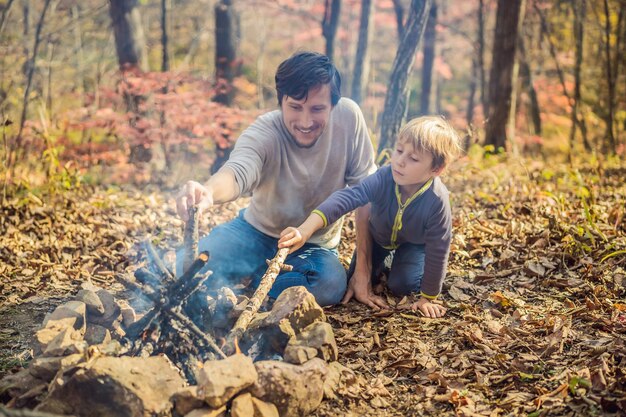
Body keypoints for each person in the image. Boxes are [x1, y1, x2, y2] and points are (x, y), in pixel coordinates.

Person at [175, 51, 376, 307]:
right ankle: (264, 279)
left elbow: (366, 194)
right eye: (295, 107)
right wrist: (208, 191)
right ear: (281, 102)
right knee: (183, 267)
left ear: (334, 105)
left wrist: (362, 273)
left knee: (329, 286)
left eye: (317, 109)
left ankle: (259, 279)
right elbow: (238, 172)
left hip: (313, 244)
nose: (305, 121)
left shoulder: (349, 119)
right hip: (254, 232)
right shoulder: (265, 131)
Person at [278, 116, 462, 317]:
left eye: (414, 158)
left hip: (413, 244)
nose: (400, 161)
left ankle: (399, 263)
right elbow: (347, 197)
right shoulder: (384, 178)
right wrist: (305, 229)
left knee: (403, 285)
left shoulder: (437, 200)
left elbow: (439, 248)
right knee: (357, 279)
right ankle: (386, 261)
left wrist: (428, 297)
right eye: (399, 151)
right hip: (378, 239)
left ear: (436, 169)